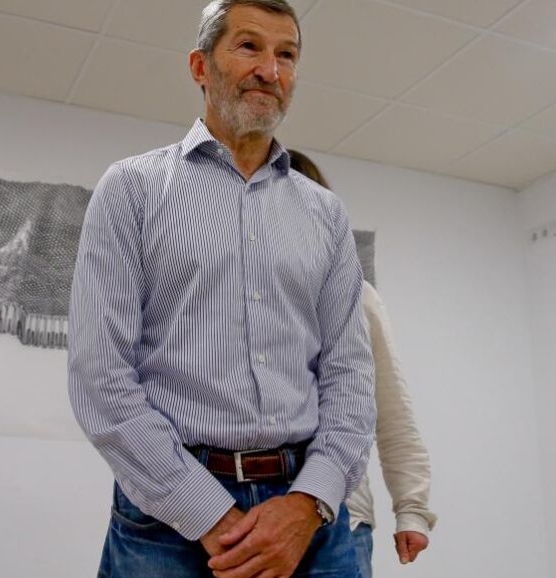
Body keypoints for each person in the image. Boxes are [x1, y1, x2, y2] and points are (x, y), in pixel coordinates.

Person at [68, 1, 377, 576]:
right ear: (200, 66)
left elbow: (350, 374)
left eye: (287, 54)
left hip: (310, 517)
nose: (270, 70)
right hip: (168, 521)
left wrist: (309, 503)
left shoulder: (326, 214)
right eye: (249, 46)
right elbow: (100, 376)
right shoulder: (131, 189)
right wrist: (209, 514)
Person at [288, 150, 438, 576]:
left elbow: (390, 408)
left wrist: (412, 508)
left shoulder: (359, 296)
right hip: (247, 520)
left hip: (343, 519)